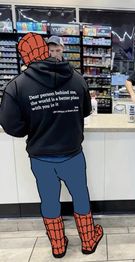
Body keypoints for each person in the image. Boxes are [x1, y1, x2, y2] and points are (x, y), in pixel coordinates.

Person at [0, 32, 103, 258]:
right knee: (80, 196)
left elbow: (11, 127)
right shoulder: (77, 78)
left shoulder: (16, 86)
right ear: (45, 50)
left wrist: (34, 124)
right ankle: (88, 240)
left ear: (25, 56)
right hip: (73, 154)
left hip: (41, 157)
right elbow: (85, 111)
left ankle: (58, 245)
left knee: (49, 200)